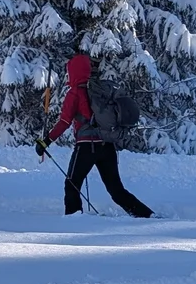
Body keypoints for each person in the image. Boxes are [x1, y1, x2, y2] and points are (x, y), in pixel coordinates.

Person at [38, 52, 153, 218]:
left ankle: (74, 220)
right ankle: (146, 215)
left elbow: (64, 122)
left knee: (72, 185)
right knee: (116, 189)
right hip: (107, 145)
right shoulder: (101, 90)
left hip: (86, 146)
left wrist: (46, 141)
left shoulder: (74, 93)